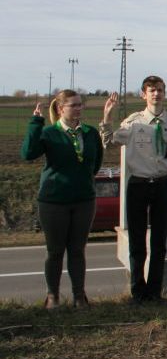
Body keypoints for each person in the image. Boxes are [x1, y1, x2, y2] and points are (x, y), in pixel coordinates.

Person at [100, 76, 167, 305]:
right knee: (137, 242)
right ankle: (138, 292)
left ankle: (155, 293)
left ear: (165, 93)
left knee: (159, 242)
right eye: (152, 90)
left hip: (163, 184)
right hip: (139, 184)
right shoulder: (134, 122)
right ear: (143, 94)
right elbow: (108, 141)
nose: (156, 94)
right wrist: (107, 116)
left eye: (160, 90)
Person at [21, 90, 104, 310]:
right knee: (55, 251)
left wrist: (82, 180)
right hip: (53, 201)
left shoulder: (90, 133)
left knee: (77, 250)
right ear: (60, 109)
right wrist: (35, 123)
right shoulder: (49, 133)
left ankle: (79, 297)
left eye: (80, 105)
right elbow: (28, 153)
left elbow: (94, 164)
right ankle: (53, 297)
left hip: (84, 200)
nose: (78, 109)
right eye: (73, 105)